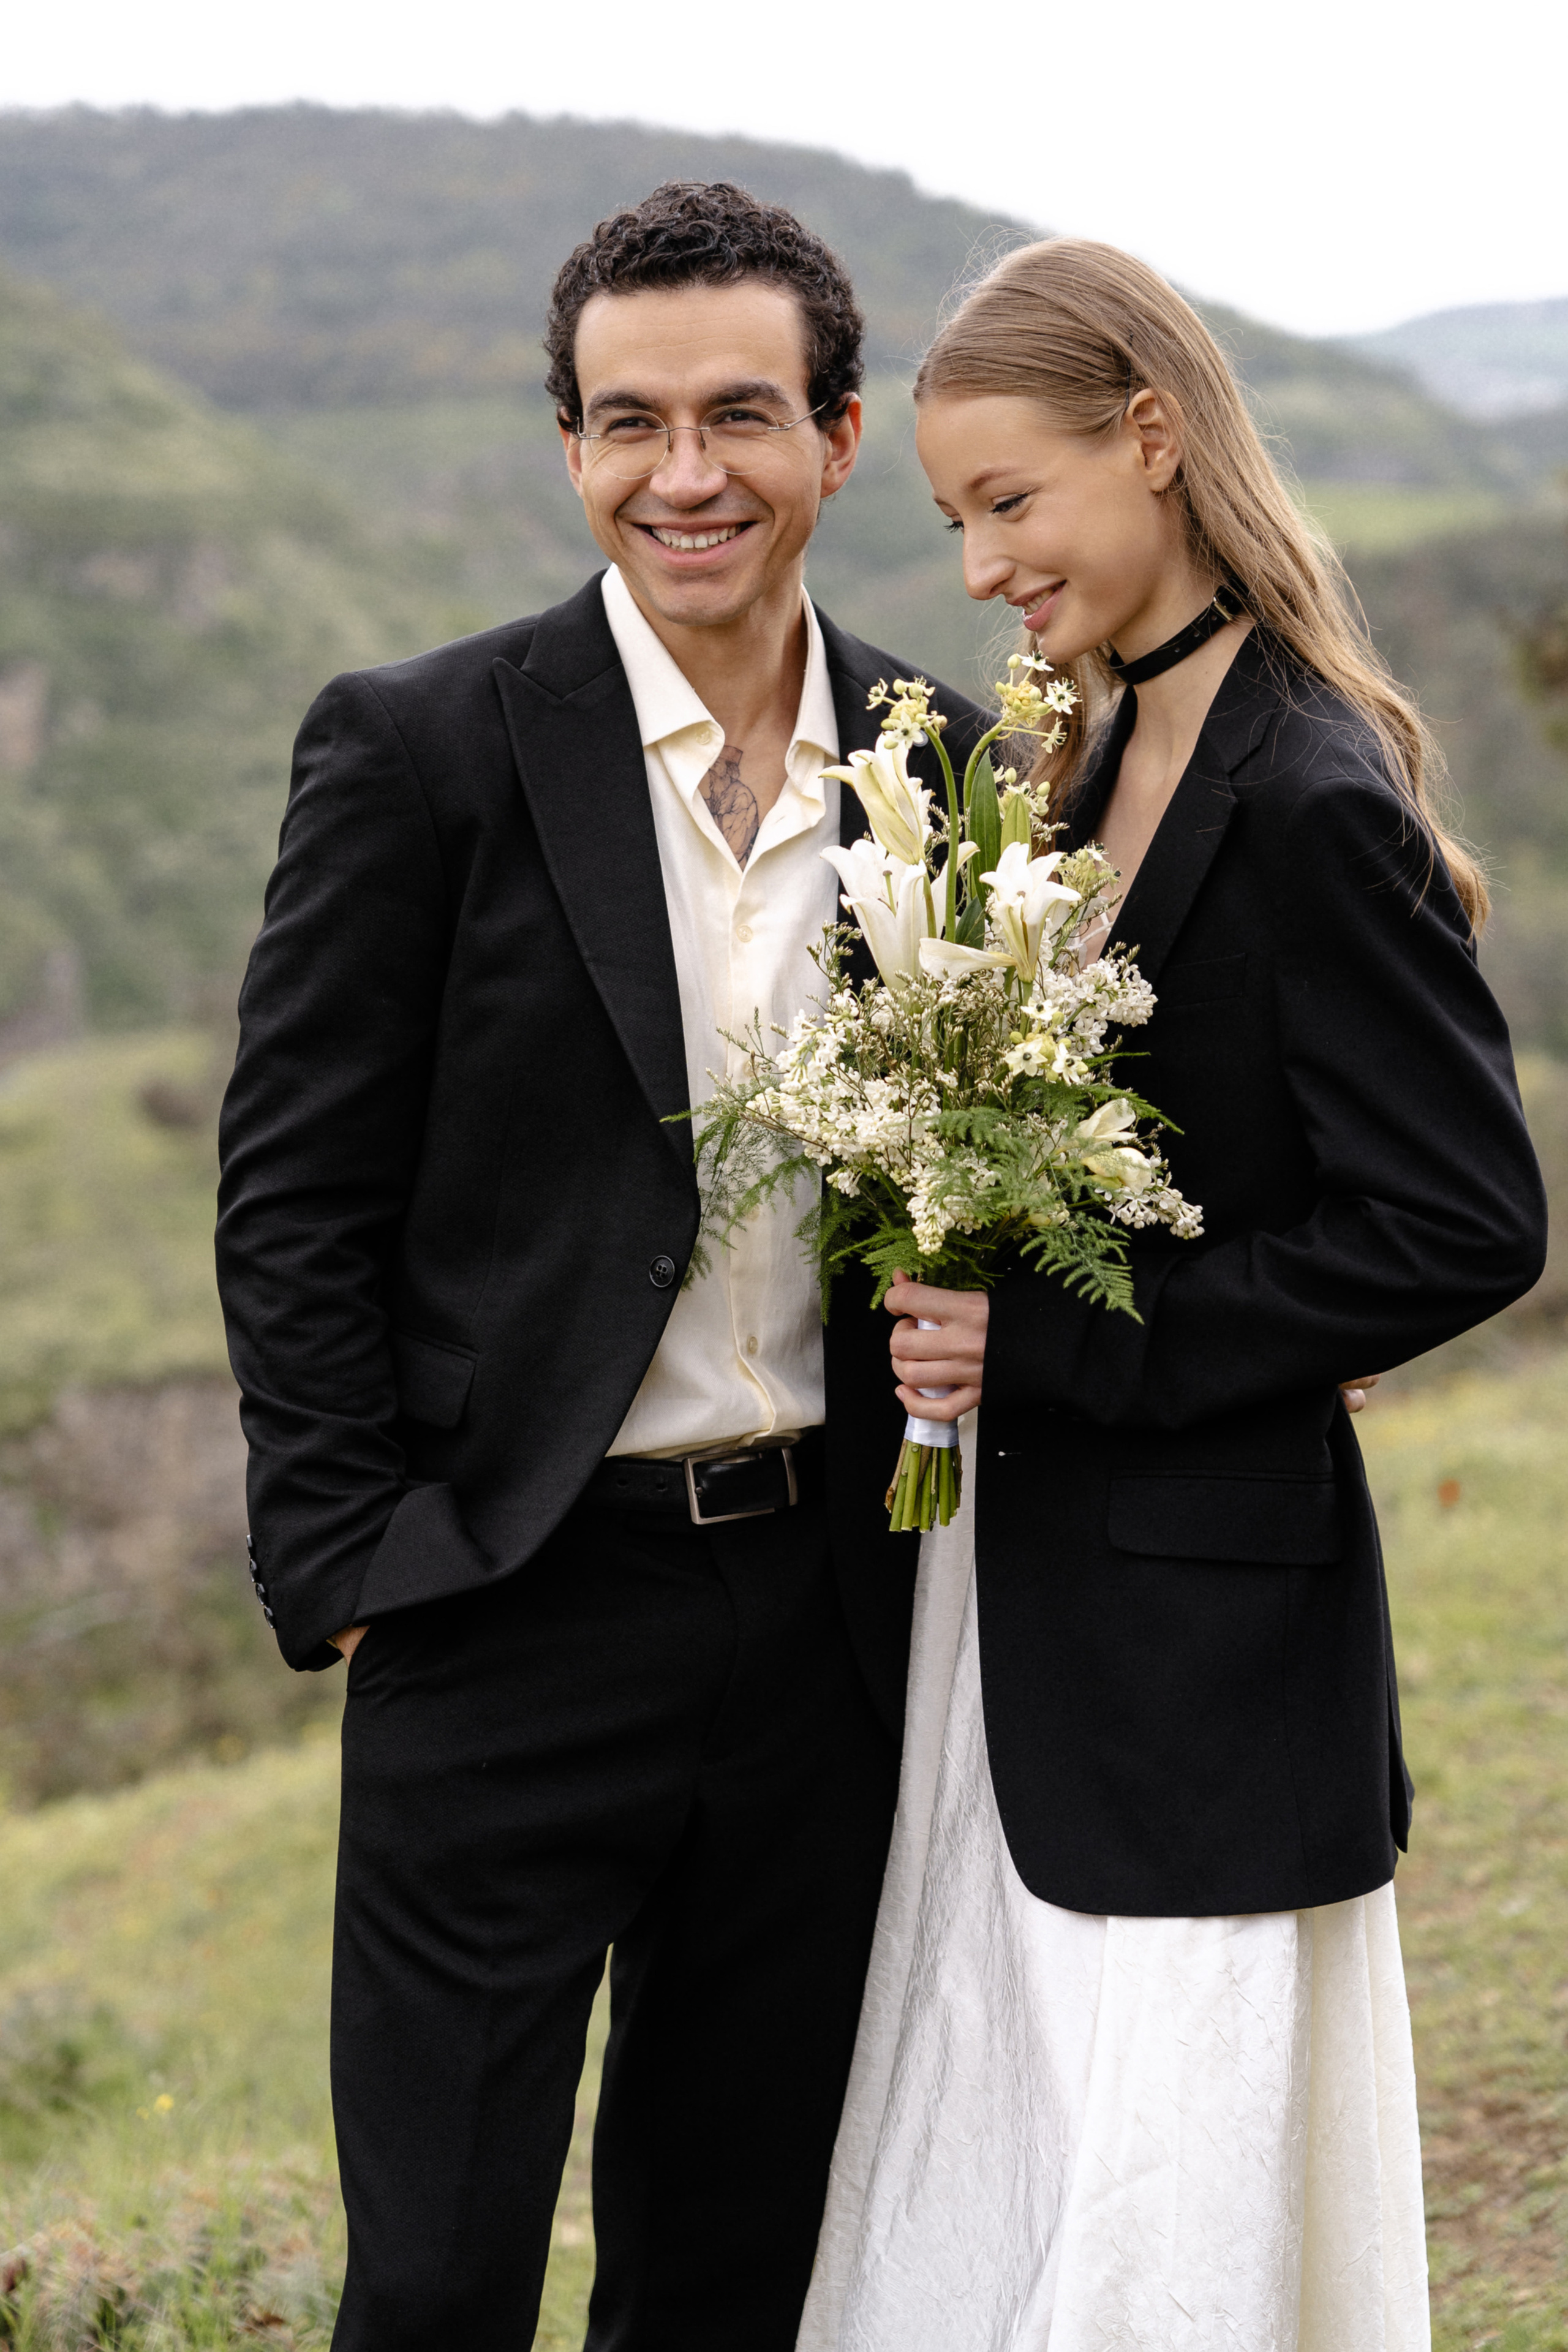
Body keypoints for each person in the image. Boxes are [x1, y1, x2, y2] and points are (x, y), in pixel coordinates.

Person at [214, 180, 989, 2352]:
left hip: (832, 1619)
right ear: (571, 446)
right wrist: (359, 1555)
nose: (685, 475)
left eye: (739, 416)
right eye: (627, 420)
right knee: (442, 2277)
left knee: (732, 2268)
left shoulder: (952, 774)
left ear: (841, 439)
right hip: (503, 1606)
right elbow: (292, 1190)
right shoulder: (420, 746)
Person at [798, 239, 1548, 2352]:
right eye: (952, 522)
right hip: (1013, 1607)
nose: (978, 568)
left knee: (1170, 2207)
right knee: (1018, 2146)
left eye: (1009, 504)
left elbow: (1465, 1221)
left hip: (1206, 1638)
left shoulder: (1307, 791)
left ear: (1151, 436)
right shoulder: (1082, 762)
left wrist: (1058, 1342)